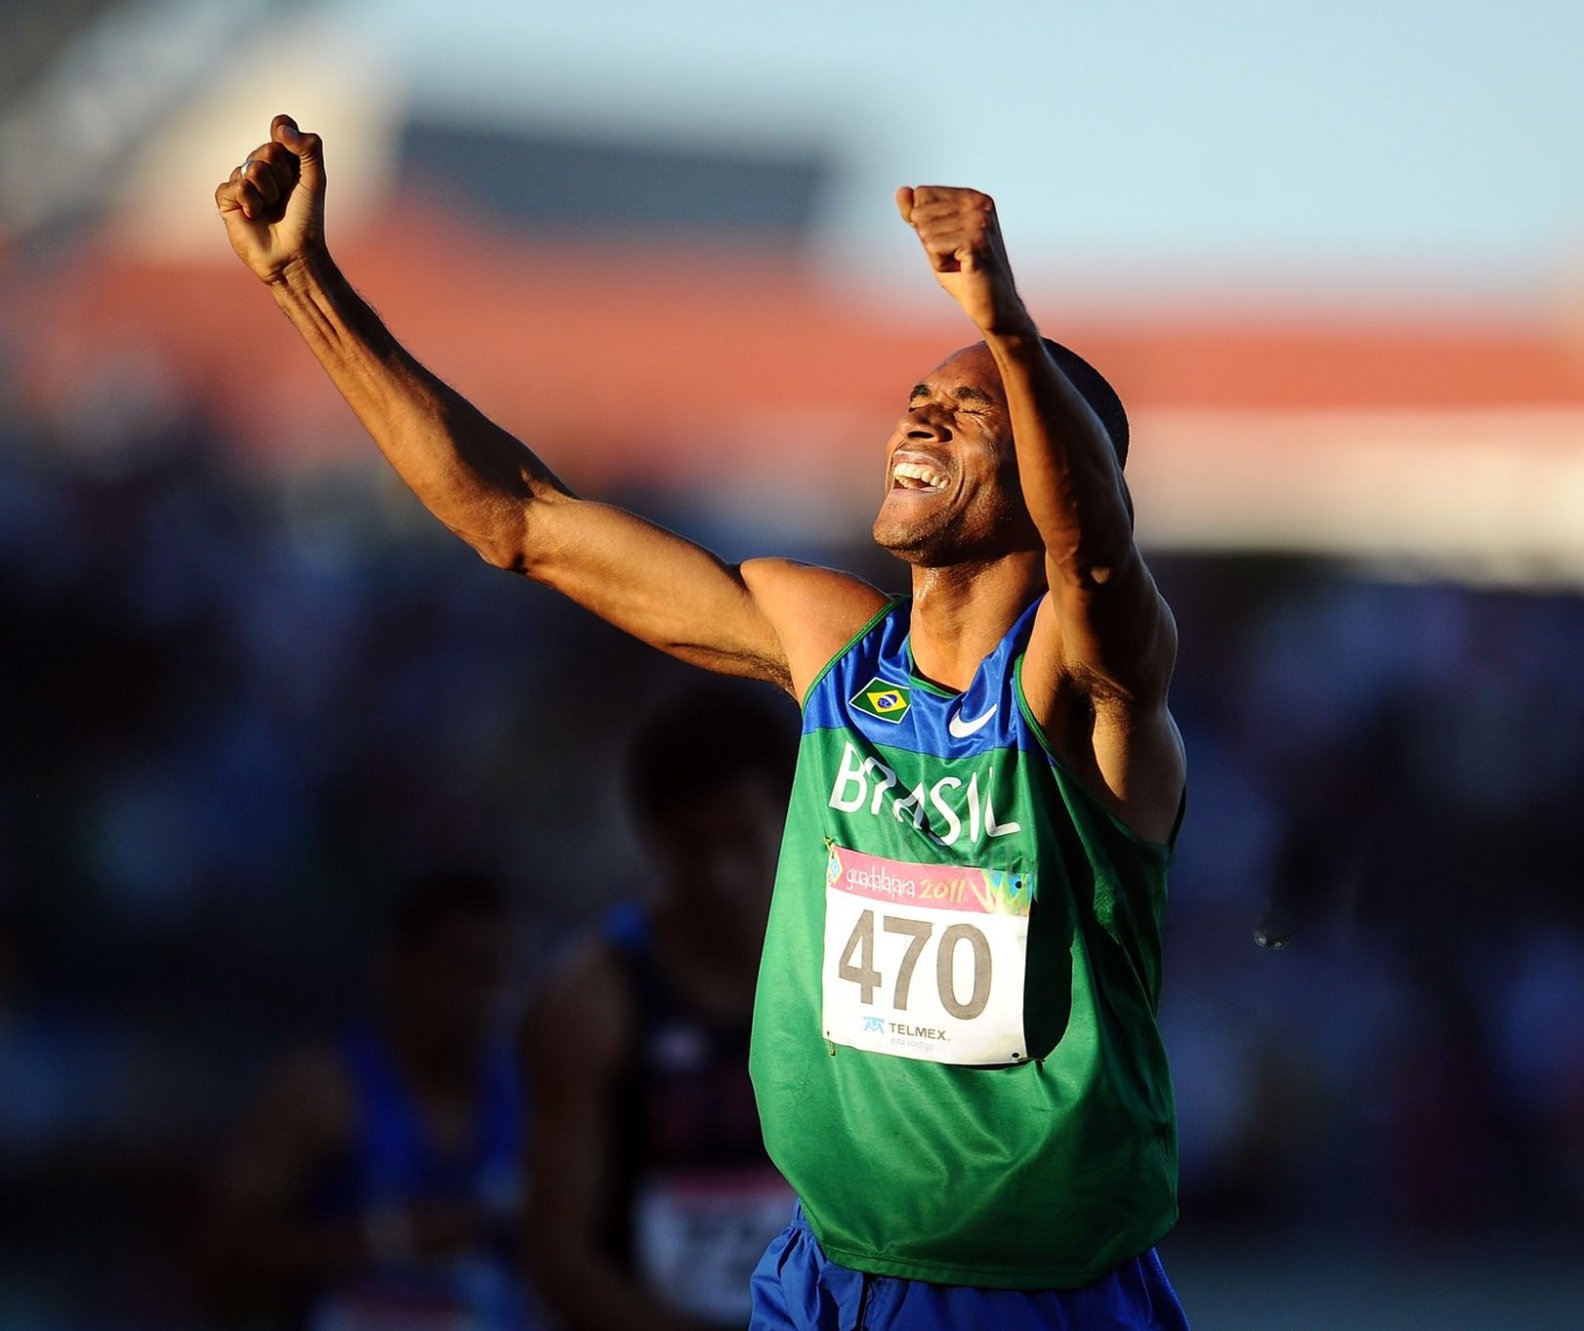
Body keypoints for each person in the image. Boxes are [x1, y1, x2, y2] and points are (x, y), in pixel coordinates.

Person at [217, 115, 1189, 1330]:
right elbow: (520, 520)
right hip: (826, 1279)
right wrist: (304, 283)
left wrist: (1007, 325)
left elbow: (1092, 563)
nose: (921, 420)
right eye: (916, 398)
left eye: (971, 410)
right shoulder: (832, 649)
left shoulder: (1084, 694)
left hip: (1034, 1297)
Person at [522, 684, 800, 1330]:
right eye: (695, 848)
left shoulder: (850, 971)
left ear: (794, 816)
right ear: (652, 841)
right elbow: (558, 1255)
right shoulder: (589, 1003)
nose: (723, 875)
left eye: (744, 839)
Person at [202, 875, 535, 1330]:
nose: (482, 998)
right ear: (398, 963)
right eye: (463, 969)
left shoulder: (532, 1100)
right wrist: (392, 1241)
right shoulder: (318, 1093)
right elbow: (225, 1258)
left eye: (497, 974)